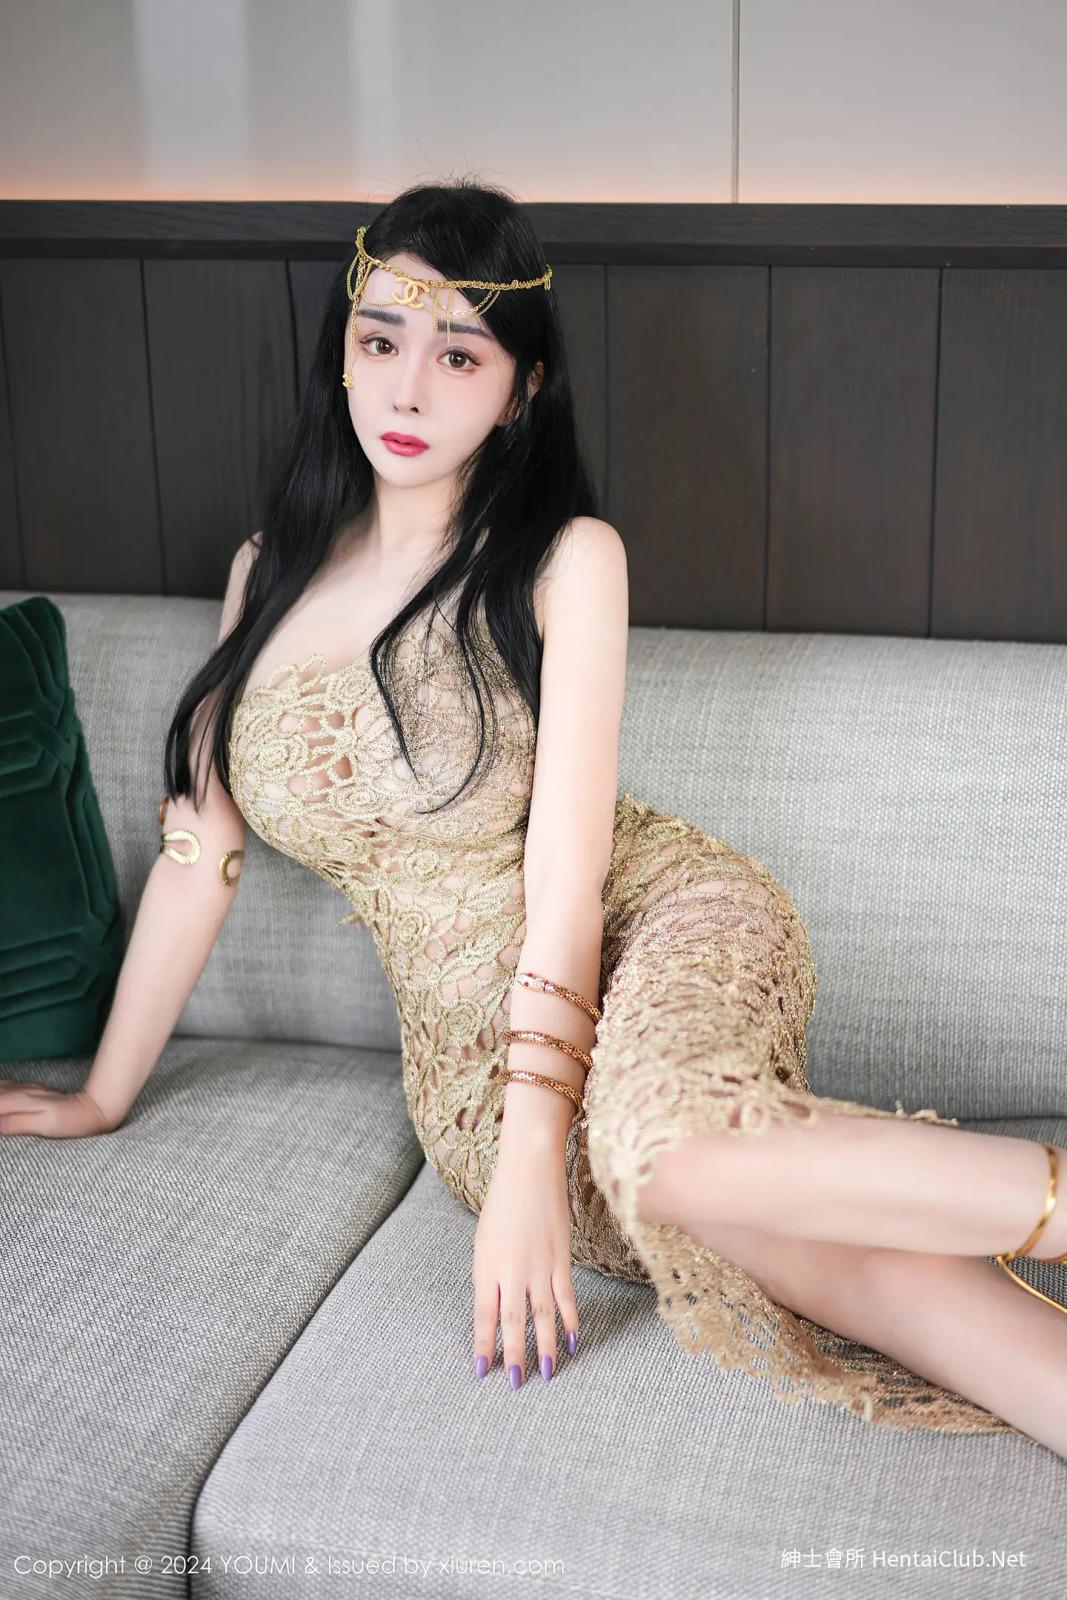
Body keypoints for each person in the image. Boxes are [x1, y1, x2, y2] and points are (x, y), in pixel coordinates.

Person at [2, 179, 1065, 1454]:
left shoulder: (566, 558)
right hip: (462, 1075)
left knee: (660, 1151)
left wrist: (529, 1161)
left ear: (520, 390)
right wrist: (103, 1094)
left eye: (459, 355)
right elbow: (197, 854)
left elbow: (565, 881)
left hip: (646, 920)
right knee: (810, 1254)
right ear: (342, 351)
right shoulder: (264, 571)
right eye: (380, 340)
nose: (407, 389)